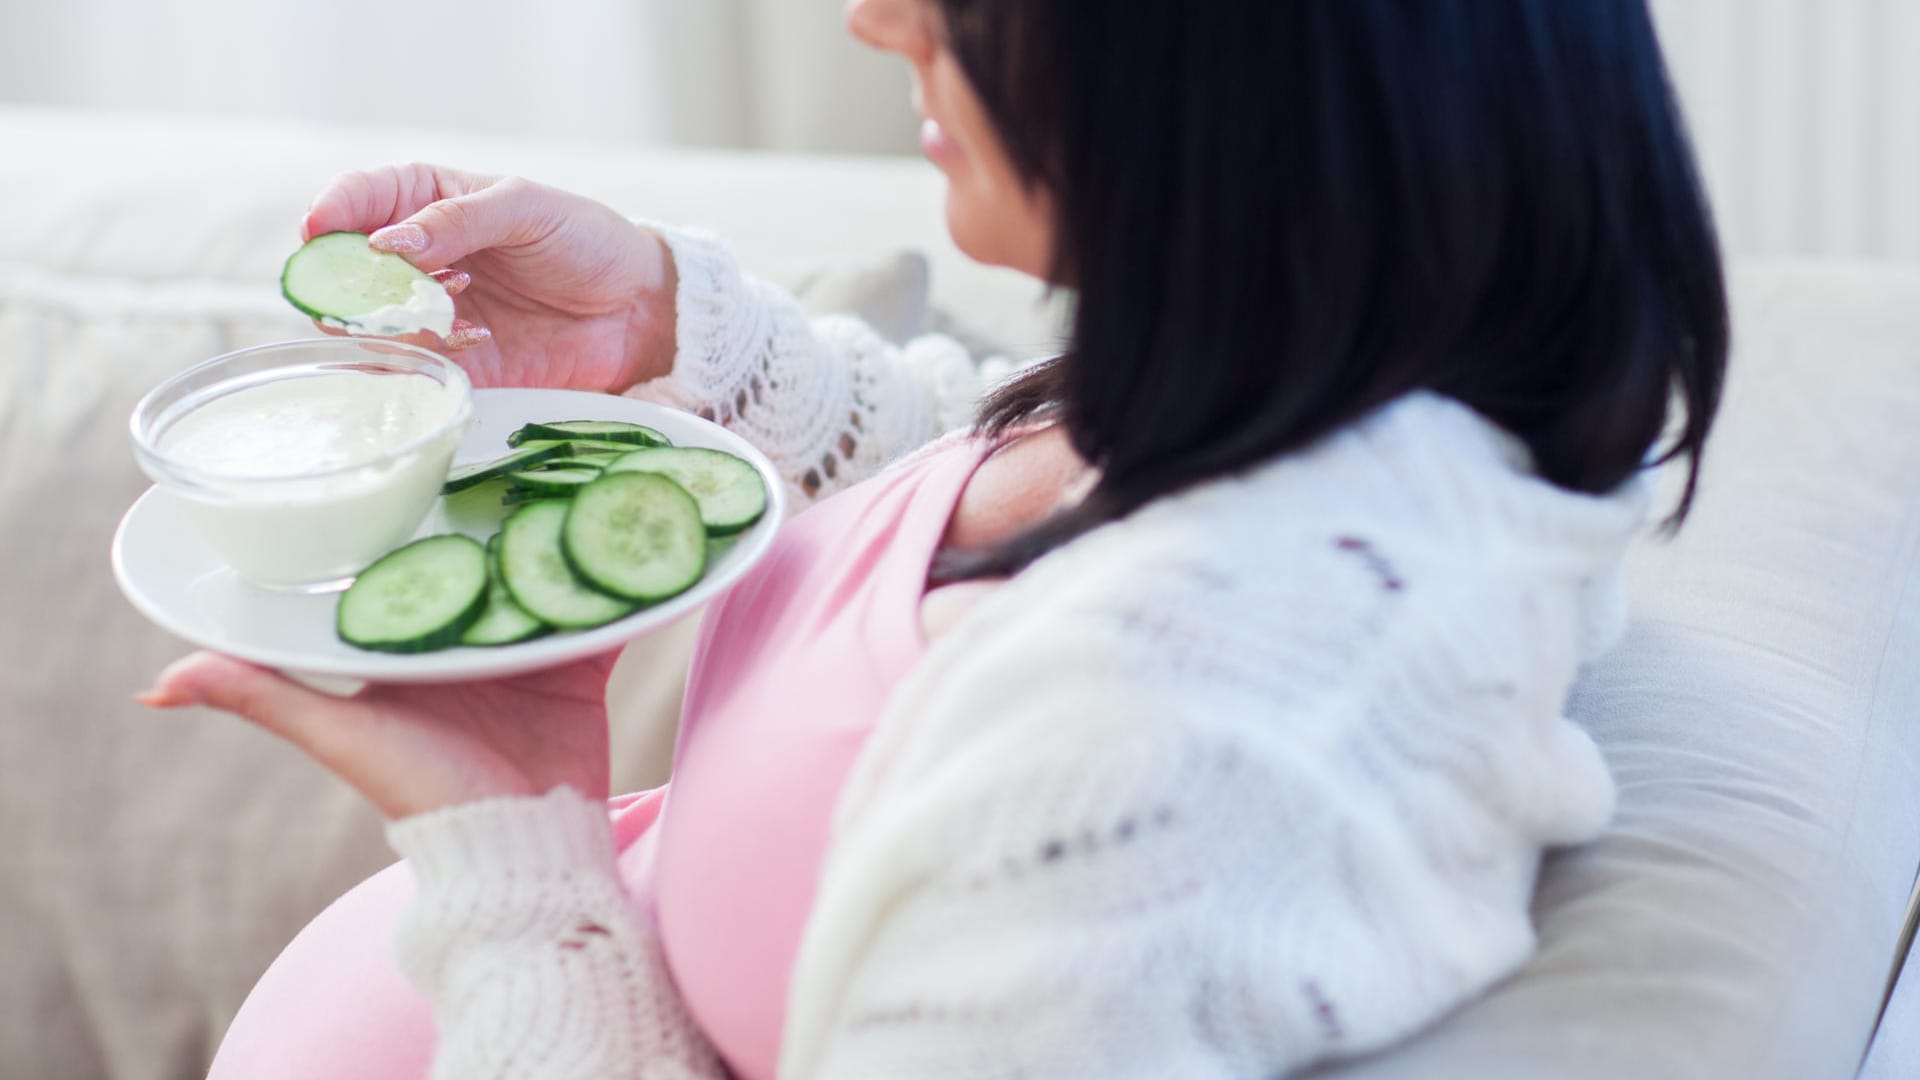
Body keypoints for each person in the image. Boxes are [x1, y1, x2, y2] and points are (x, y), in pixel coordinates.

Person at [138, 1, 1728, 1077]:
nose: (878, 15)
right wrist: (677, 333)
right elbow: (988, 525)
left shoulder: (1176, 734)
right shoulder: (1320, 426)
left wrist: (513, 854)